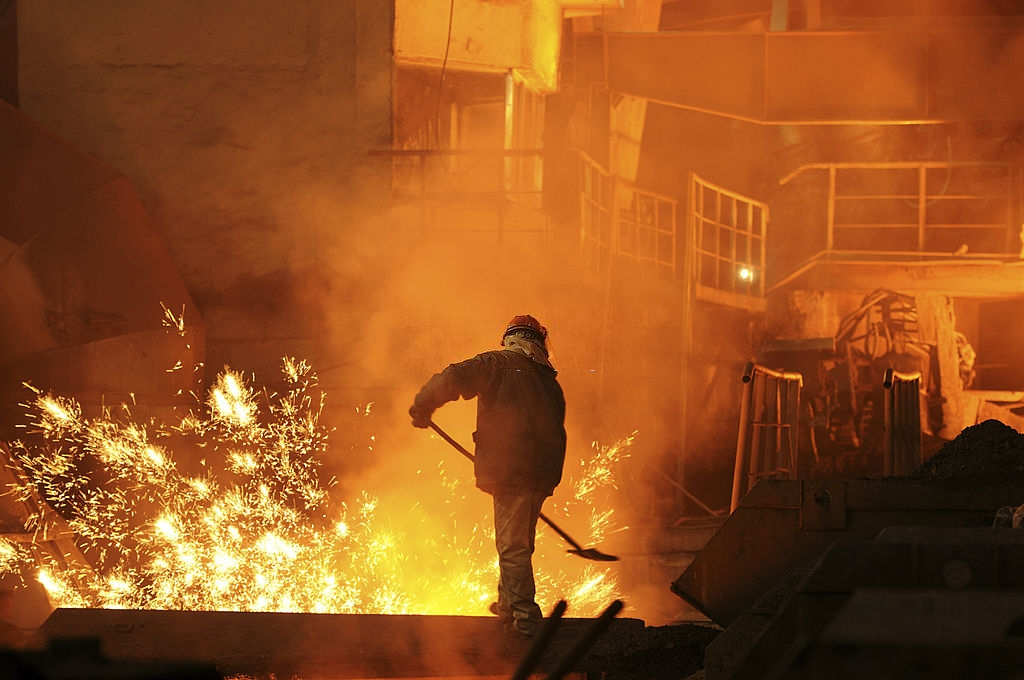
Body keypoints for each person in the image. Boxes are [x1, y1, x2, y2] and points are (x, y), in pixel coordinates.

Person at [409, 314, 567, 638]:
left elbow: (454, 376)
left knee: (512, 547)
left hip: (511, 469)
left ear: (510, 339)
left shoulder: (497, 363)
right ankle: (508, 604)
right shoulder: (548, 380)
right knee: (520, 542)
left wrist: (423, 404)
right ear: (539, 343)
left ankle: (525, 619)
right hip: (541, 474)